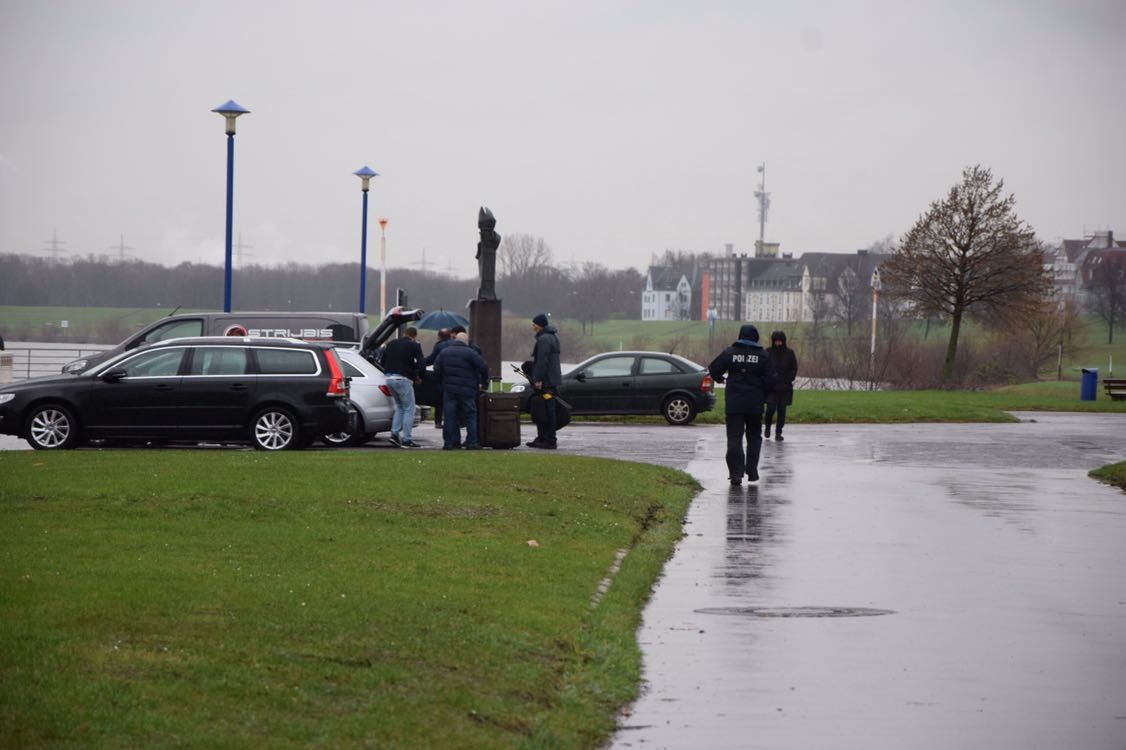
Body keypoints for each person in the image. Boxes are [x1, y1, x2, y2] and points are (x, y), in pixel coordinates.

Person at [708, 323, 776, 485]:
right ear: (755, 337)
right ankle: (752, 472)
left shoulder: (729, 353)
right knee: (754, 438)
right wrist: (762, 395)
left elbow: (713, 369)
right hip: (755, 404)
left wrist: (721, 379)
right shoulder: (763, 356)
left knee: (734, 438)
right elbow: (771, 380)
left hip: (734, 404)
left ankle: (736, 474)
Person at [434, 332, 489, 450]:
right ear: (466, 341)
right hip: (467, 390)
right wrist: (484, 383)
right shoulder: (471, 353)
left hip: (449, 390)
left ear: (455, 340)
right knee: (470, 415)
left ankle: (450, 443)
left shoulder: (444, 352)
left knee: (449, 416)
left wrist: (441, 384)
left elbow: (437, 369)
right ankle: (471, 442)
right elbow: (484, 367)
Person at [380, 325, 425, 448]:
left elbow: (382, 362)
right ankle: (407, 439)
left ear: (404, 333)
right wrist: (419, 376)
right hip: (403, 379)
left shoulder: (391, 344)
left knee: (400, 406)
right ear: (414, 336)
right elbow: (421, 364)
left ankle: (394, 434)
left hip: (389, 379)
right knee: (409, 409)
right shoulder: (414, 345)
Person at [526, 313, 562, 450]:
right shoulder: (551, 337)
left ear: (540, 325)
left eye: (534, 324)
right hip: (551, 380)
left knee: (547, 410)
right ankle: (543, 437)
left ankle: (549, 439)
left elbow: (542, 361)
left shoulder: (544, 339)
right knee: (545, 409)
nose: (533, 327)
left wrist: (538, 379)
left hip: (546, 382)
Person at [764, 330, 798, 441]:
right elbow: (764, 367)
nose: (778, 343)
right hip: (772, 387)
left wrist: (790, 378)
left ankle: (778, 432)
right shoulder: (767, 352)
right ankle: (767, 426)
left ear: (783, 341)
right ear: (773, 341)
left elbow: (794, 368)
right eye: (776, 341)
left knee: (782, 411)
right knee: (770, 409)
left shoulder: (790, 353)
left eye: (780, 341)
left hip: (785, 387)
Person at [425, 328, 453, 428]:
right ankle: (452, 421)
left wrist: (420, 363)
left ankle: (438, 421)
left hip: (442, 376)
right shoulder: (455, 344)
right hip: (453, 376)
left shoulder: (438, 345)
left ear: (439, 336)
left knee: (439, 399)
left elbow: (431, 359)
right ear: (450, 336)